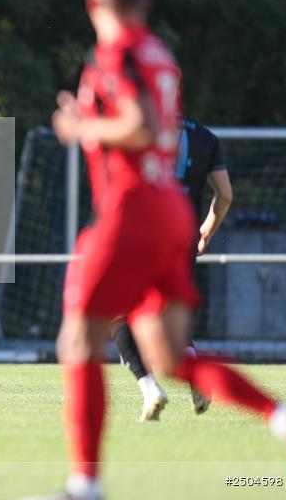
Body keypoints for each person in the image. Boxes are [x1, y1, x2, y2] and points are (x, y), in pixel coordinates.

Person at [30, 0, 286, 500]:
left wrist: (84, 126)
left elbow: (140, 125)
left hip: (131, 211)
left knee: (78, 339)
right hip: (172, 215)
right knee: (172, 355)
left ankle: (85, 485)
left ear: (91, 2)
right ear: (146, 2)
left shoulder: (117, 52)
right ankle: (282, 418)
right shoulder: (158, 51)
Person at [114, 118, 233, 421]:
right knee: (167, 317)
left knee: (118, 313)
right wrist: (206, 231)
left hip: (141, 232)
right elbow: (226, 194)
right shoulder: (204, 137)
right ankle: (198, 379)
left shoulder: (135, 128)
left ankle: (150, 387)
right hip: (183, 236)